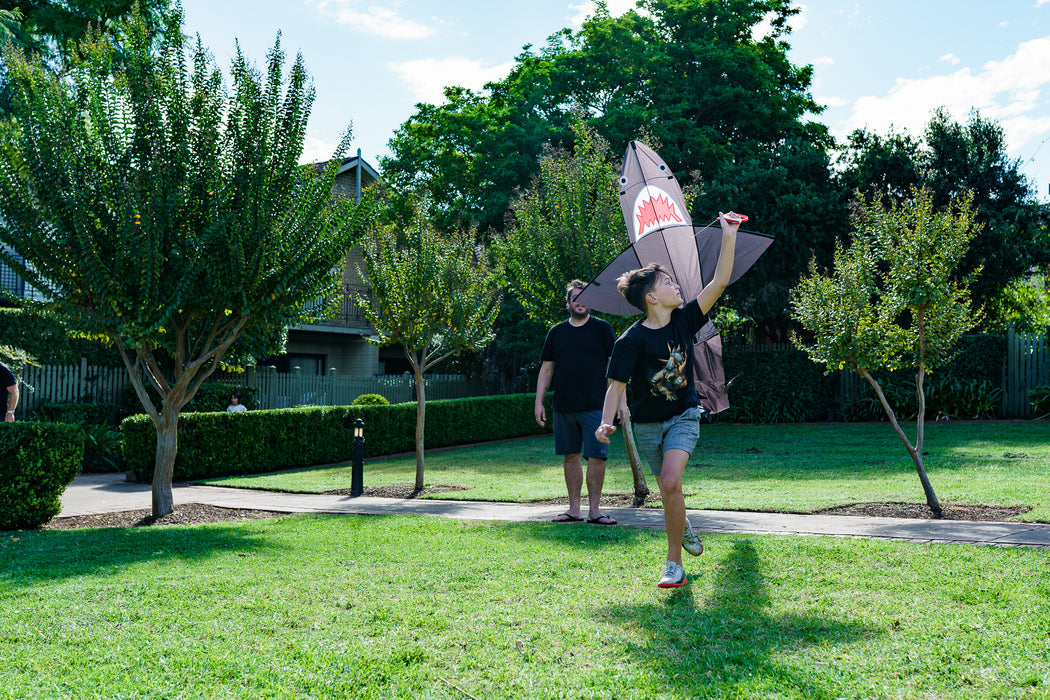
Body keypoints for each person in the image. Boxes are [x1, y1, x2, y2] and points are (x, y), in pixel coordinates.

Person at [596, 212, 742, 588]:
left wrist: (729, 233)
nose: (677, 286)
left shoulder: (684, 320)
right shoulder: (629, 342)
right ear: (651, 297)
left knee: (671, 482)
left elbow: (720, 281)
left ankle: (673, 563)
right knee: (668, 489)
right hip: (646, 425)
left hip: (683, 415)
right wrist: (605, 422)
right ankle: (685, 528)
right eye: (668, 283)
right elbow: (616, 386)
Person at [536, 280, 625, 524]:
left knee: (597, 457)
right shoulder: (556, 332)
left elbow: (616, 368)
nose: (580, 301)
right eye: (575, 297)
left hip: (596, 407)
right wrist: (539, 402)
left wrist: (621, 402)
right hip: (563, 407)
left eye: (584, 297)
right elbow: (546, 369)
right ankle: (573, 509)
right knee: (570, 457)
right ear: (568, 302)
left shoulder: (602, 329)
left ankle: (595, 511)